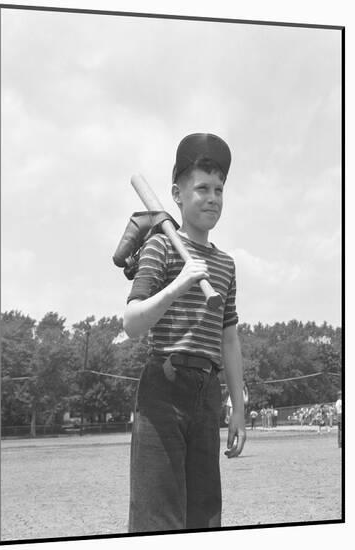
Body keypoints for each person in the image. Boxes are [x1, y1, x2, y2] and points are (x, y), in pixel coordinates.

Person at [123, 132, 246, 533]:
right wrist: (179, 284)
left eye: (219, 190)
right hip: (164, 385)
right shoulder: (160, 247)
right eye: (202, 188)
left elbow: (229, 339)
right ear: (176, 194)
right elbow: (132, 322)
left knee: (205, 514)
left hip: (207, 393)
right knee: (157, 517)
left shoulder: (225, 265)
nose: (212, 198)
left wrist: (239, 407)